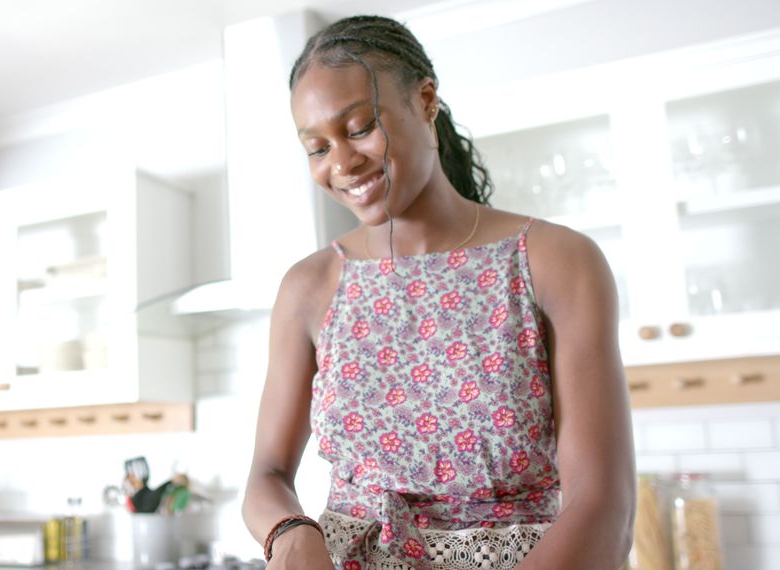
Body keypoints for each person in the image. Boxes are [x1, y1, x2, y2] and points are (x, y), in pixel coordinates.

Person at [241, 14, 635, 570]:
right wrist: (291, 532)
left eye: (358, 128)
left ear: (426, 100)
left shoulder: (554, 261)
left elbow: (604, 506)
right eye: (317, 147)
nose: (342, 163)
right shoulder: (309, 287)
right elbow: (267, 475)